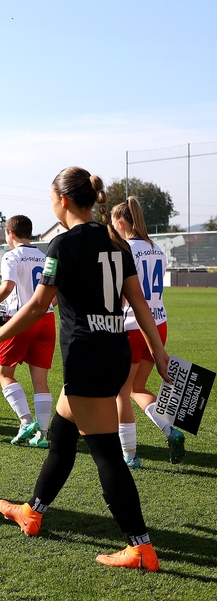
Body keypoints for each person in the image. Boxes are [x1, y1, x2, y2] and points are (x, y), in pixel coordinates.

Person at [0, 167, 170, 571]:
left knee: (107, 456)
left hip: (89, 356)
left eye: (51, 197)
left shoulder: (64, 244)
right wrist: (160, 352)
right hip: (113, 351)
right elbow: (138, 303)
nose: (50, 202)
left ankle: (141, 547)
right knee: (62, 439)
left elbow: (35, 306)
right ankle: (32, 511)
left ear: (63, 200)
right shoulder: (117, 242)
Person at [109, 197, 185, 467]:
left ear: (120, 223)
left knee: (121, 393)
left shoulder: (124, 249)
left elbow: (121, 296)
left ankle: (129, 455)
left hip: (132, 326)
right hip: (158, 325)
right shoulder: (157, 249)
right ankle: (170, 431)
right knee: (136, 388)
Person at [0, 215, 55, 448]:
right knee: (41, 381)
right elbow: (54, 297)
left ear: (10, 234)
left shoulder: (11, 255)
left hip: (22, 319)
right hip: (46, 320)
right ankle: (43, 435)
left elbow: (8, 285)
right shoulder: (45, 256)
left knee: (5, 373)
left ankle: (26, 421)